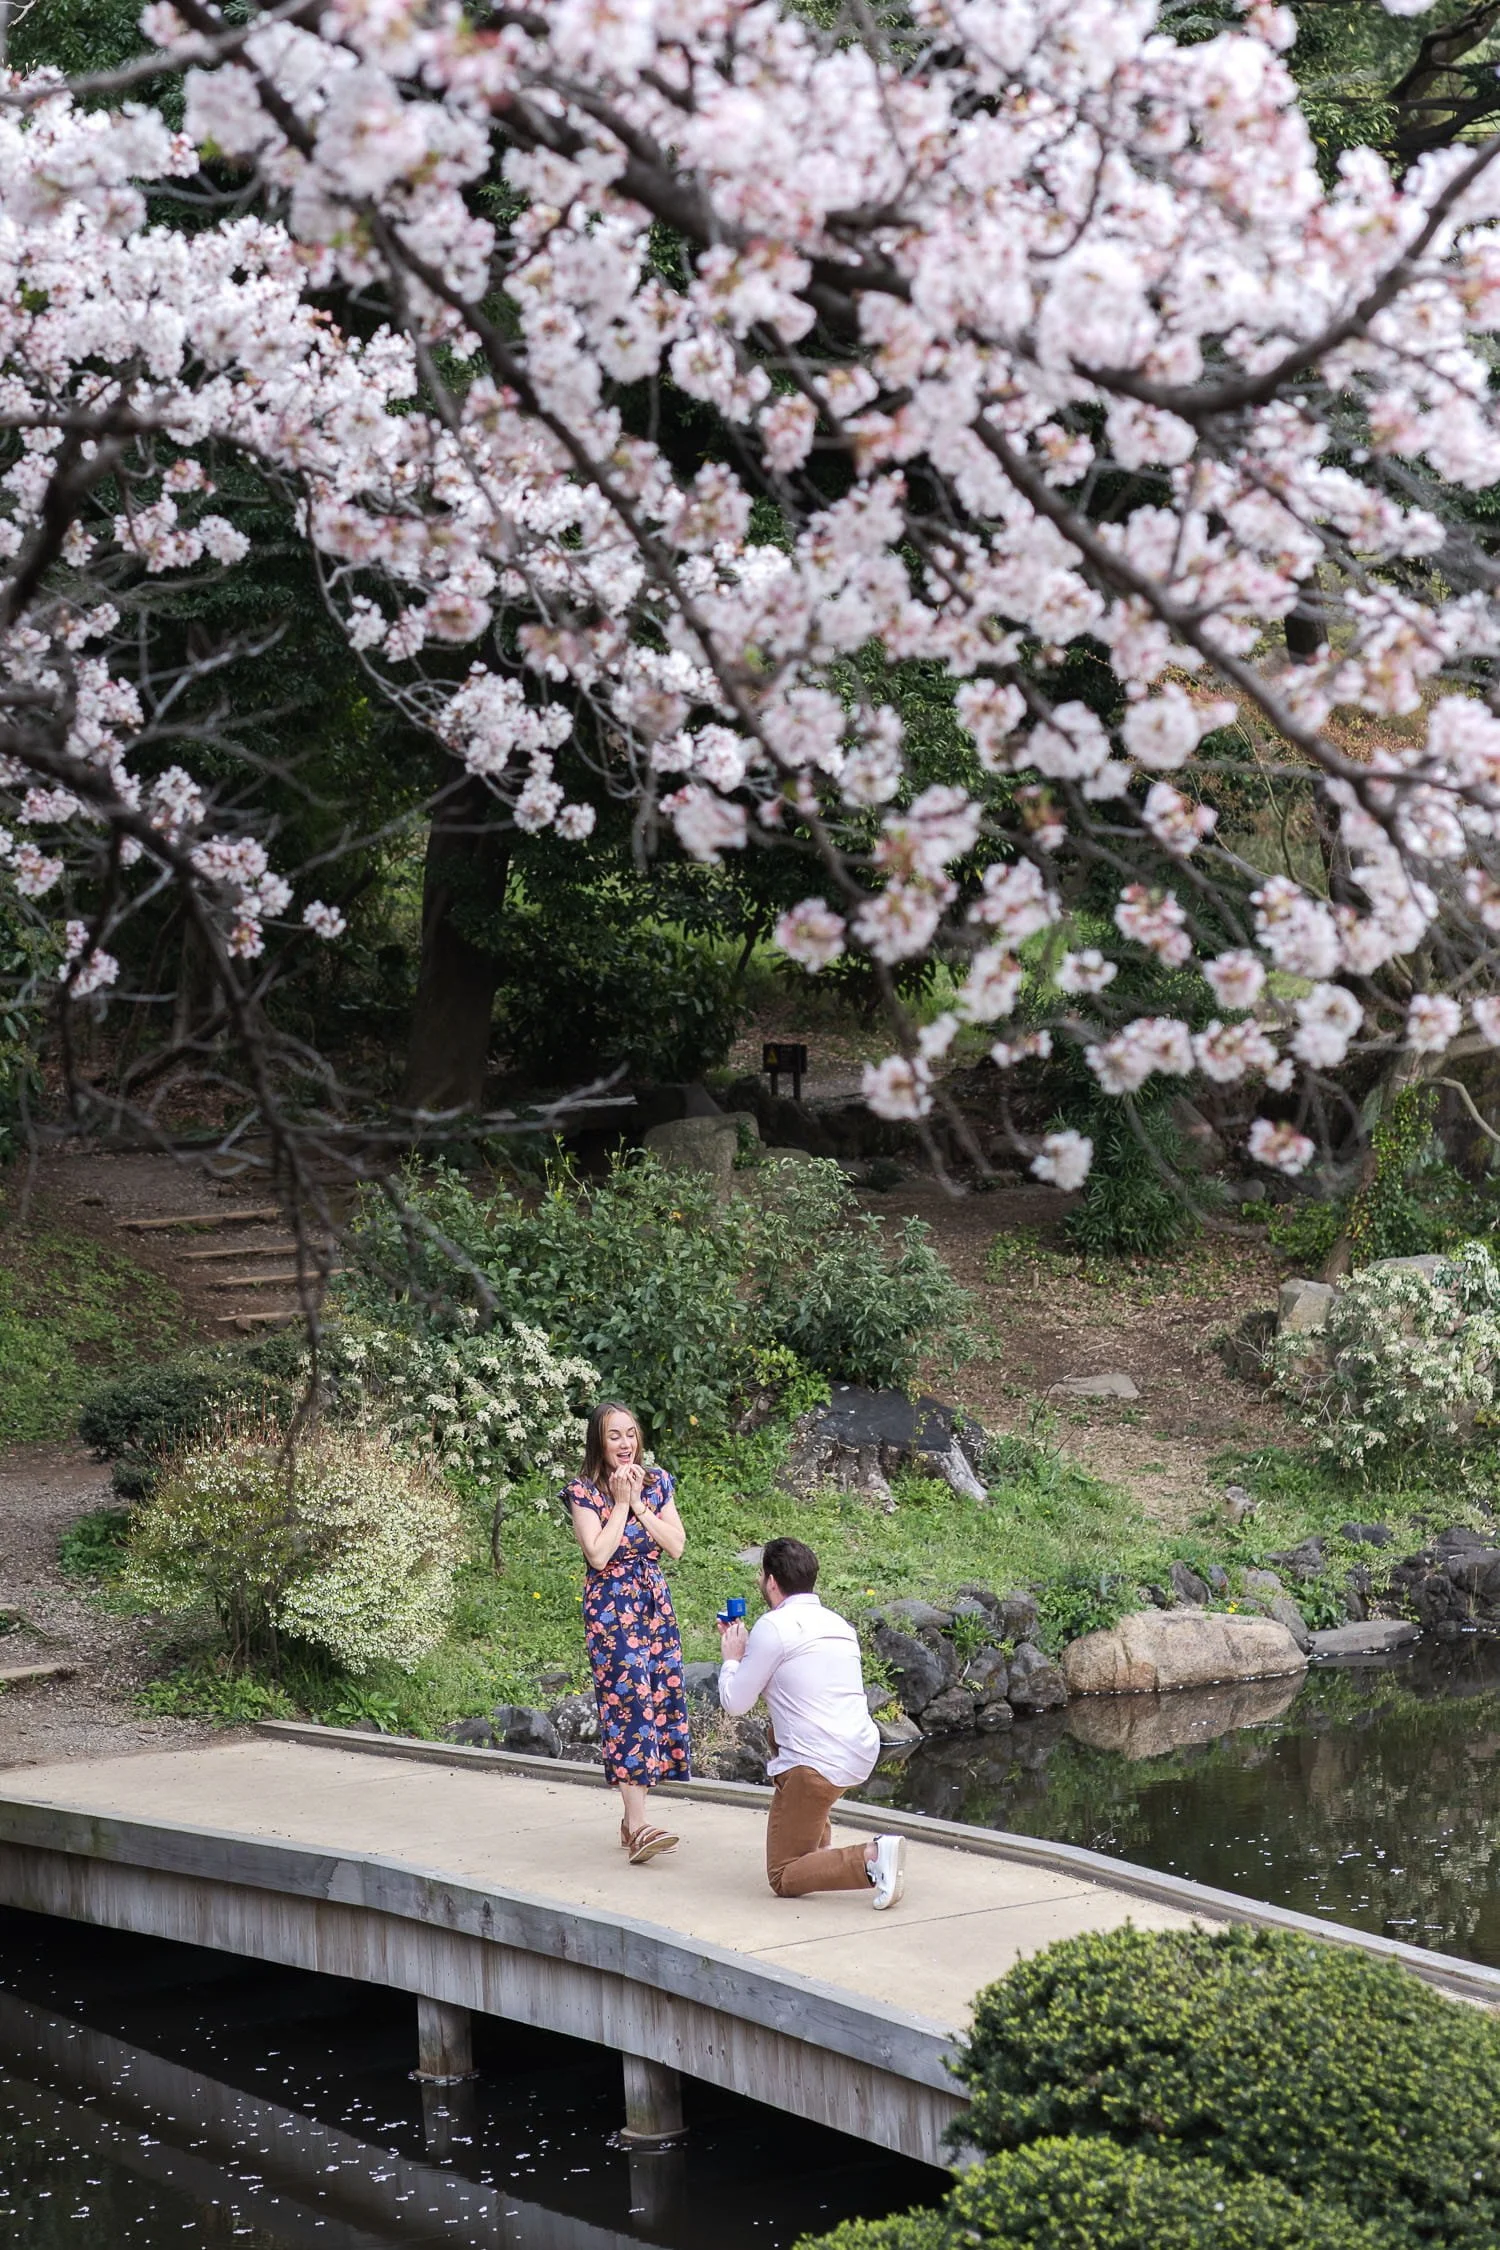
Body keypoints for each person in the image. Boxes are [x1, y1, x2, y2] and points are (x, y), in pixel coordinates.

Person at [717, 1537, 906, 1909]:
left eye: (761, 1576)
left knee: (784, 1875)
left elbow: (736, 1703)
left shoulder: (774, 1627)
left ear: (771, 1581)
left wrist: (732, 1658)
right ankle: (822, 1850)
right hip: (860, 1750)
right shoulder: (838, 1623)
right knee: (784, 1735)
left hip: (815, 1764)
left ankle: (872, 1857)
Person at [564, 1401, 690, 1864]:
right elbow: (598, 1554)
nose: (625, 1444)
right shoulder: (582, 1491)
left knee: (657, 1699)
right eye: (615, 1435)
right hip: (611, 1609)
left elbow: (675, 1544)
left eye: (631, 1434)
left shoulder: (656, 1482)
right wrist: (619, 1505)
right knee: (629, 1700)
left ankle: (631, 1821)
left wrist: (637, 1502)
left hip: (654, 1604)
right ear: (598, 1439)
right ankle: (638, 1825)